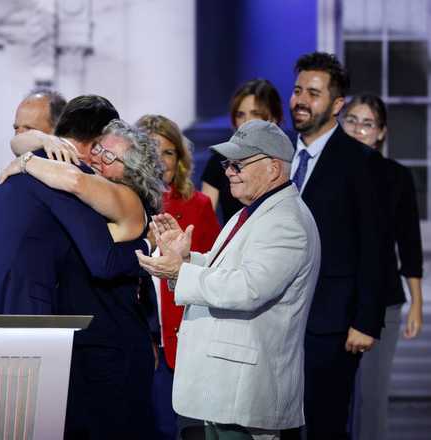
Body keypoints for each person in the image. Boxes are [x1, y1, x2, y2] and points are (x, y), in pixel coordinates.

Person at [0, 95, 161, 439]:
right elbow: (104, 260)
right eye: (102, 149)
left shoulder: (34, 163)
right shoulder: (64, 172)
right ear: (93, 142)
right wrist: (148, 246)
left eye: (111, 155)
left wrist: (25, 158)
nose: (99, 159)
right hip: (18, 310)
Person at [136, 119, 321, 440]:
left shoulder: (287, 222)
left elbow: (248, 288)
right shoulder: (251, 211)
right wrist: (186, 258)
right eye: (227, 164)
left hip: (243, 393)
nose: (229, 172)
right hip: (223, 390)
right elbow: (226, 268)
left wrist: (180, 273)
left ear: (274, 168)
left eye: (239, 164)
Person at [286, 52, 386, 440]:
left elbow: (375, 247)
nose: (301, 100)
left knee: (325, 424)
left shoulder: (362, 163)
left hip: (333, 322)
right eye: (297, 90)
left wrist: (365, 320)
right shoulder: (276, 155)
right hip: (276, 318)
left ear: (337, 104)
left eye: (313, 92)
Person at [341, 94, 424, 440]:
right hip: (334, 298)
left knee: (371, 397)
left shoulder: (396, 177)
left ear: (381, 132)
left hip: (384, 299)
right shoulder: (327, 173)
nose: (359, 129)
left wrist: (416, 302)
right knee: (334, 397)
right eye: (352, 121)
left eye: (368, 123)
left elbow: (409, 242)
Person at [136, 114, 221, 440]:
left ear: (180, 160)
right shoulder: (119, 200)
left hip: (179, 340)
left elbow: (214, 268)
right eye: (152, 150)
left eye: (169, 152)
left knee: (172, 429)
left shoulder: (197, 205)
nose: (160, 160)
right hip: (136, 336)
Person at [201, 79, 284, 224]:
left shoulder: (290, 160)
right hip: (235, 245)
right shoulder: (219, 160)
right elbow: (204, 220)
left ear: (273, 119)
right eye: (240, 115)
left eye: (255, 114)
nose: (246, 122)